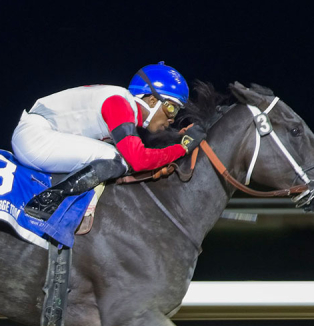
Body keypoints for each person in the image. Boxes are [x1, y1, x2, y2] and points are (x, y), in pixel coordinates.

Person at [13, 62, 206, 220]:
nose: (172, 119)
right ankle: (47, 201)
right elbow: (138, 160)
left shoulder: (123, 103)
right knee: (116, 158)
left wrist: (177, 140)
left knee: (114, 155)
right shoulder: (119, 104)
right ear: (152, 101)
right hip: (34, 137)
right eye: (171, 108)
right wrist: (182, 148)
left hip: (39, 135)